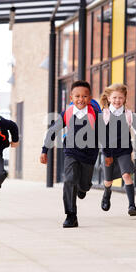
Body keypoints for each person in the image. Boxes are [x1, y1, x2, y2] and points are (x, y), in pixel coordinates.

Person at [40, 80, 100, 228]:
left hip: (89, 155)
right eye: (77, 96)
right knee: (69, 179)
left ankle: (83, 187)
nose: (81, 99)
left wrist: (109, 154)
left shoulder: (96, 114)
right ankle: (71, 215)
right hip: (71, 152)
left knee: (84, 185)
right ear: (71, 98)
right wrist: (44, 150)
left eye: (84, 96)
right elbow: (53, 131)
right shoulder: (67, 113)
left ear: (90, 97)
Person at [99, 83, 136, 216]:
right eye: (114, 97)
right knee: (108, 181)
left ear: (125, 99)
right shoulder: (104, 114)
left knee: (126, 175)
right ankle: (107, 193)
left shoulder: (129, 115)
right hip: (108, 152)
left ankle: (132, 206)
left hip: (124, 151)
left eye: (120, 98)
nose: (117, 100)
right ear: (108, 98)